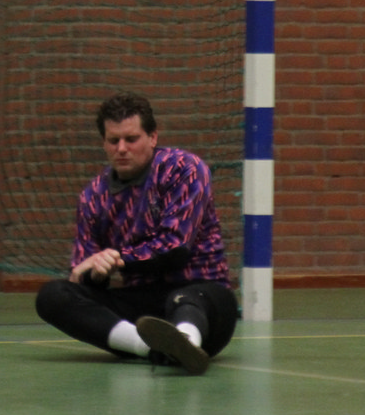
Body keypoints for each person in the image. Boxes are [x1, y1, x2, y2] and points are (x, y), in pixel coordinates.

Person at [34, 92, 238, 374]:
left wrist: (118, 258)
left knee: (187, 300)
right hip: (142, 309)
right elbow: (83, 273)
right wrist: (96, 272)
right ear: (103, 143)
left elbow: (175, 248)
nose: (121, 148)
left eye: (131, 139)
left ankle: (187, 342)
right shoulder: (93, 196)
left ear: (152, 137)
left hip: (202, 296)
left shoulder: (183, 169)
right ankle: (150, 347)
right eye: (113, 140)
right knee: (53, 296)